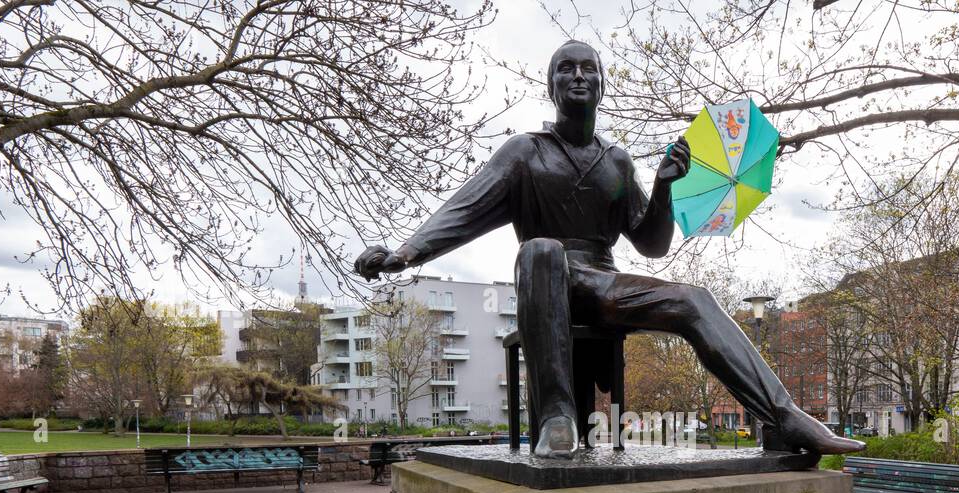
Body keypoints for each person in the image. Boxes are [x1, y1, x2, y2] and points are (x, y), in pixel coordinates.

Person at [355, 40, 865, 459]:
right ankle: (557, 416)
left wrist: (665, 189)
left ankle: (783, 418)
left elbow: (651, 243)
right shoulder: (524, 153)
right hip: (544, 281)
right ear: (551, 85)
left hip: (602, 282)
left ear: (602, 84)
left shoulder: (616, 161)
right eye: (566, 69)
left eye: (588, 69)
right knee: (541, 251)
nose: (578, 76)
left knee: (694, 298)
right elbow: (463, 210)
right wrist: (405, 254)